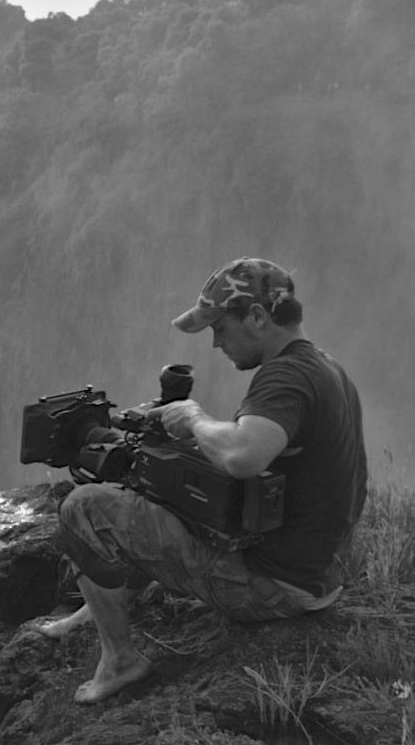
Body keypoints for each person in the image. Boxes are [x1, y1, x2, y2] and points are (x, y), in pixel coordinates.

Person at [54, 257, 367, 703]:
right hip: (318, 573)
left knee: (83, 508)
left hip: (272, 586)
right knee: (156, 487)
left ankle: (120, 661)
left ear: (257, 317)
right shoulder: (323, 366)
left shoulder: (286, 378)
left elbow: (242, 455)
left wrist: (194, 416)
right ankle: (98, 606)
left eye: (220, 328)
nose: (216, 343)